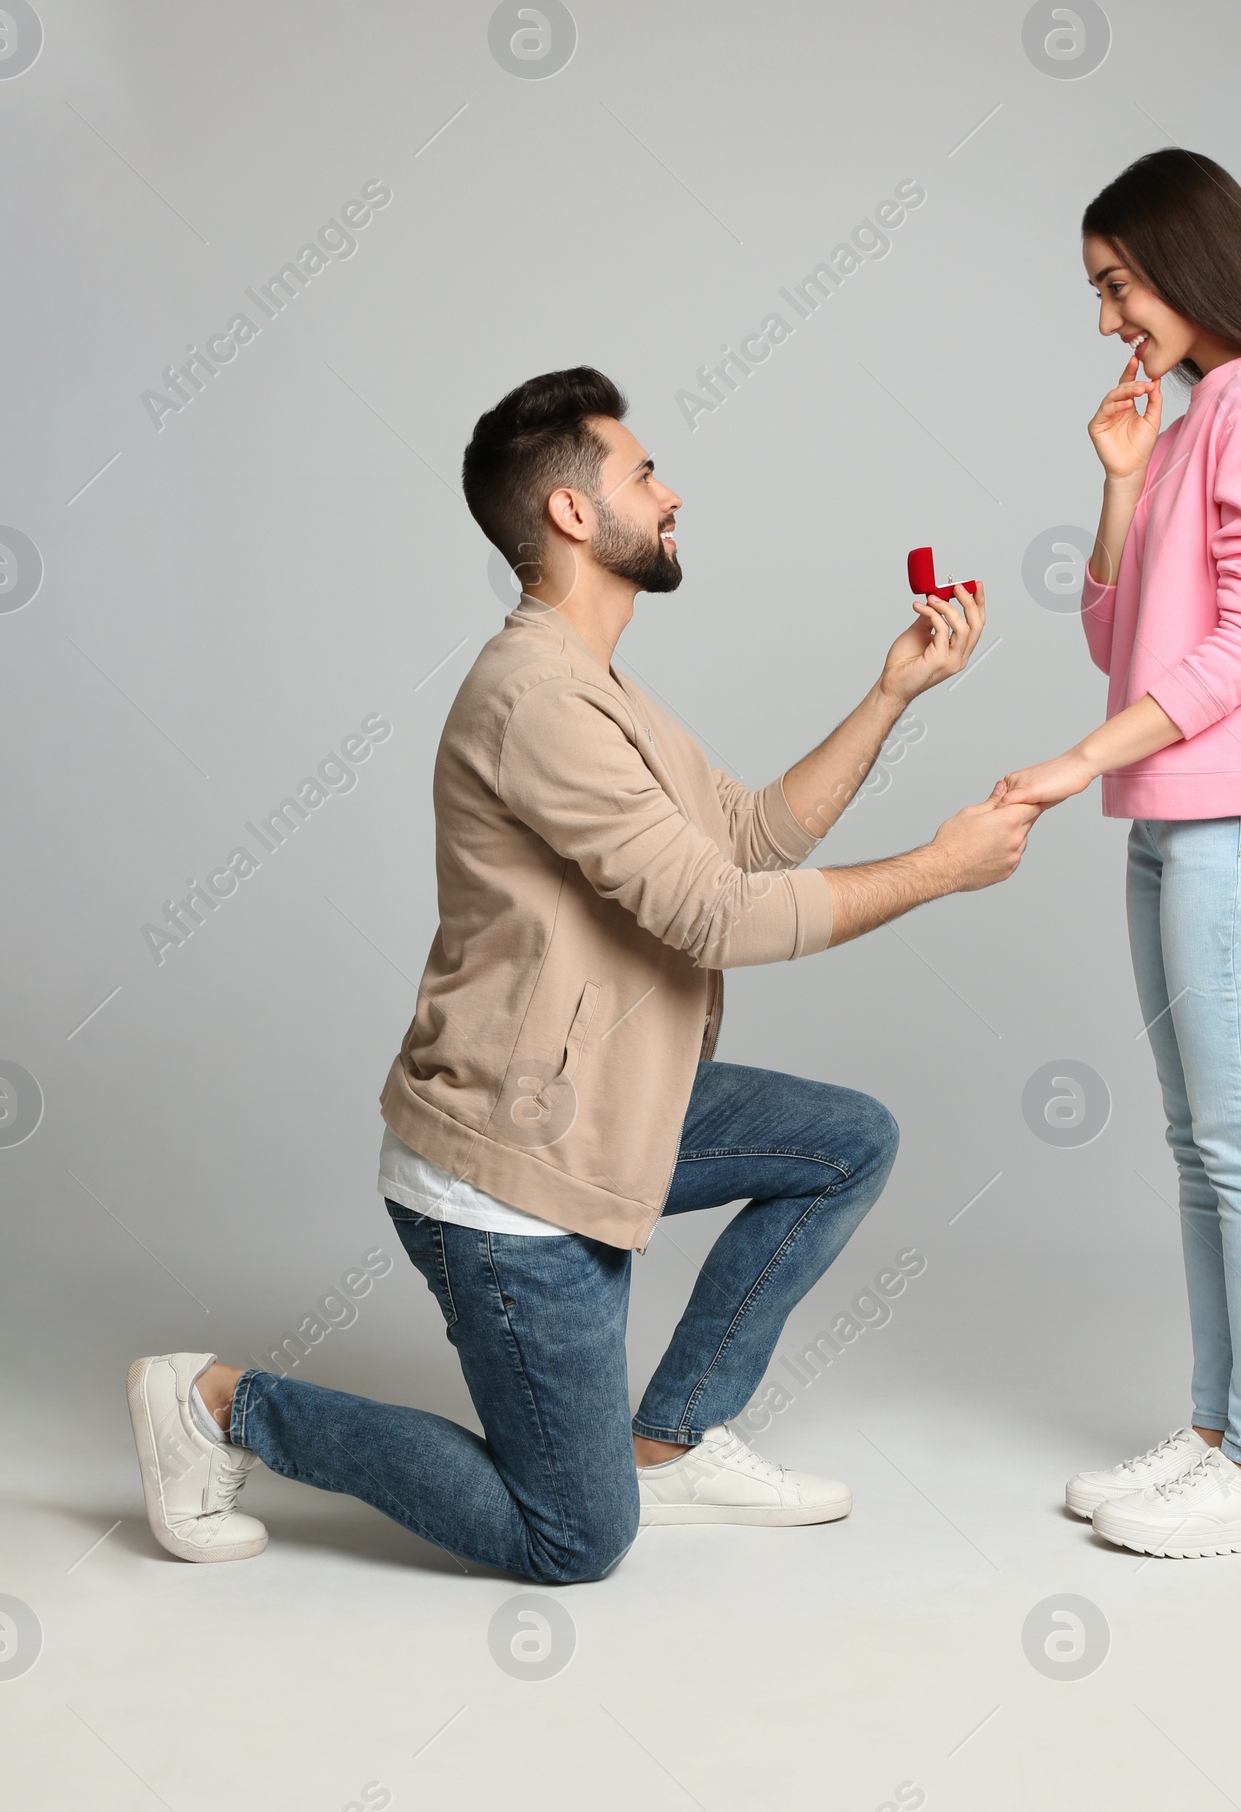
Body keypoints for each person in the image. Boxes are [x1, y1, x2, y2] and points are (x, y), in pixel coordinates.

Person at [126, 367, 1039, 1581]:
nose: (673, 493)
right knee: (570, 1538)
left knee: (844, 1141)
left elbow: (754, 838)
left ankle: (671, 1440)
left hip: (612, 1105)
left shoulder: (603, 691)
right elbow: (717, 913)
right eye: (644, 472)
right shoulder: (533, 700)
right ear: (569, 513)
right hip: (511, 1168)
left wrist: (892, 692)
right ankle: (217, 1403)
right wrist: (937, 867)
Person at [998, 150, 1241, 1558]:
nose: (1108, 320)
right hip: (1179, 813)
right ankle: (1222, 1432)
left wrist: (1079, 763)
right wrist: (1119, 481)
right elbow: (1120, 639)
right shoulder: (1201, 415)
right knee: (1199, 1143)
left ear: (1187, 259)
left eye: (1118, 285)